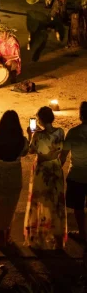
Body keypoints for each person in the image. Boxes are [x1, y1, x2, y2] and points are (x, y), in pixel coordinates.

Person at [0, 110, 29, 247]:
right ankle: (7, 237)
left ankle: (1, 238)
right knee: (9, 208)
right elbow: (26, 153)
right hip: (14, 178)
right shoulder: (22, 141)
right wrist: (30, 136)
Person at [24, 106, 67, 249]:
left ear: (40, 120)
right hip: (55, 168)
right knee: (56, 203)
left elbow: (30, 150)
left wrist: (30, 135)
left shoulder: (38, 136)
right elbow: (61, 149)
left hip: (42, 170)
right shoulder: (60, 132)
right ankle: (59, 241)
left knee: (40, 202)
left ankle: (39, 238)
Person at [62, 101, 87, 242]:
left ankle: (82, 233)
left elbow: (63, 156)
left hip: (77, 175)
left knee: (78, 206)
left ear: (80, 115)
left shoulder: (73, 132)